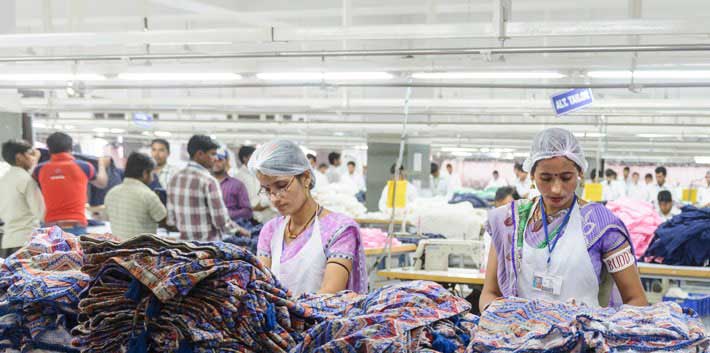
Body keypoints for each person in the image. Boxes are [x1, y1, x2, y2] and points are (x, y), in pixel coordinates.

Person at [480, 128, 647, 312]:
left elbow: (636, 299)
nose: (556, 189)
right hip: (521, 335)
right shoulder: (509, 222)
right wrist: (501, 319)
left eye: (566, 177)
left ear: (580, 172)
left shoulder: (602, 225)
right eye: (546, 178)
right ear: (532, 175)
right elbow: (489, 293)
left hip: (582, 337)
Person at [250, 139, 367, 296]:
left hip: (321, 320)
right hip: (279, 319)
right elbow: (263, 289)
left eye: (281, 186)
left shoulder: (339, 230)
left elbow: (329, 295)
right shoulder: (271, 230)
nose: (274, 198)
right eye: (267, 189)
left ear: (305, 177)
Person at [167, 135, 248, 241]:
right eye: (213, 154)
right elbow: (220, 221)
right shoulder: (208, 181)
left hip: (184, 247)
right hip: (207, 248)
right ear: (200, 154)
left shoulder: (174, 179)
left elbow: (171, 220)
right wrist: (239, 230)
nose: (215, 158)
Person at [33, 132, 109, 235]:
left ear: (49, 149)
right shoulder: (84, 167)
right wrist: (102, 164)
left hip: (50, 226)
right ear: (71, 148)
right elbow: (102, 183)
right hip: (76, 224)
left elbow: (29, 178)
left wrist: (36, 158)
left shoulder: (39, 169)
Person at [104, 152, 167, 240]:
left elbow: (107, 217)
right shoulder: (148, 195)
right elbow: (164, 220)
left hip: (117, 250)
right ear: (145, 173)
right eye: (152, 173)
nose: (153, 178)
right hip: (142, 251)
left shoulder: (111, 193)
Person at [0, 140, 45, 256]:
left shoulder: (4, 179)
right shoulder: (27, 181)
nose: (32, 158)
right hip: (27, 242)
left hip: (8, 242)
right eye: (30, 154)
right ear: (19, 157)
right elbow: (41, 213)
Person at [236, 145, 277, 224]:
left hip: (266, 216)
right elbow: (244, 203)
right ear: (245, 158)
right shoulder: (238, 177)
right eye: (254, 156)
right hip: (252, 219)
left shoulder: (258, 173)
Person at [212, 148, 252, 223]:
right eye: (214, 160)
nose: (216, 163)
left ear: (226, 161)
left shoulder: (237, 185)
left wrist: (225, 214)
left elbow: (247, 212)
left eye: (220, 160)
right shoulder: (204, 184)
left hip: (235, 229)